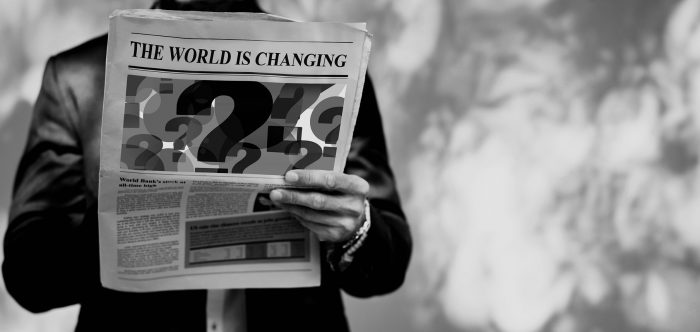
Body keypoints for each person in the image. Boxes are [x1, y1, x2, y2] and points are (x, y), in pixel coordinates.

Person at [2, 0, 411, 331]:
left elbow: (389, 264)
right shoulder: (76, 78)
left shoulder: (330, 67)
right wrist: (122, 211)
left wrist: (354, 230)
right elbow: (29, 278)